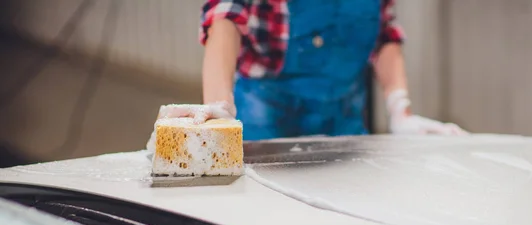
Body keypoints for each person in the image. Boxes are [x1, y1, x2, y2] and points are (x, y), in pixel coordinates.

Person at [158, 0, 466, 141]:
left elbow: (384, 32)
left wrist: (400, 110)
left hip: (345, 126)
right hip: (267, 125)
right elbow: (225, 15)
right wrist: (217, 103)